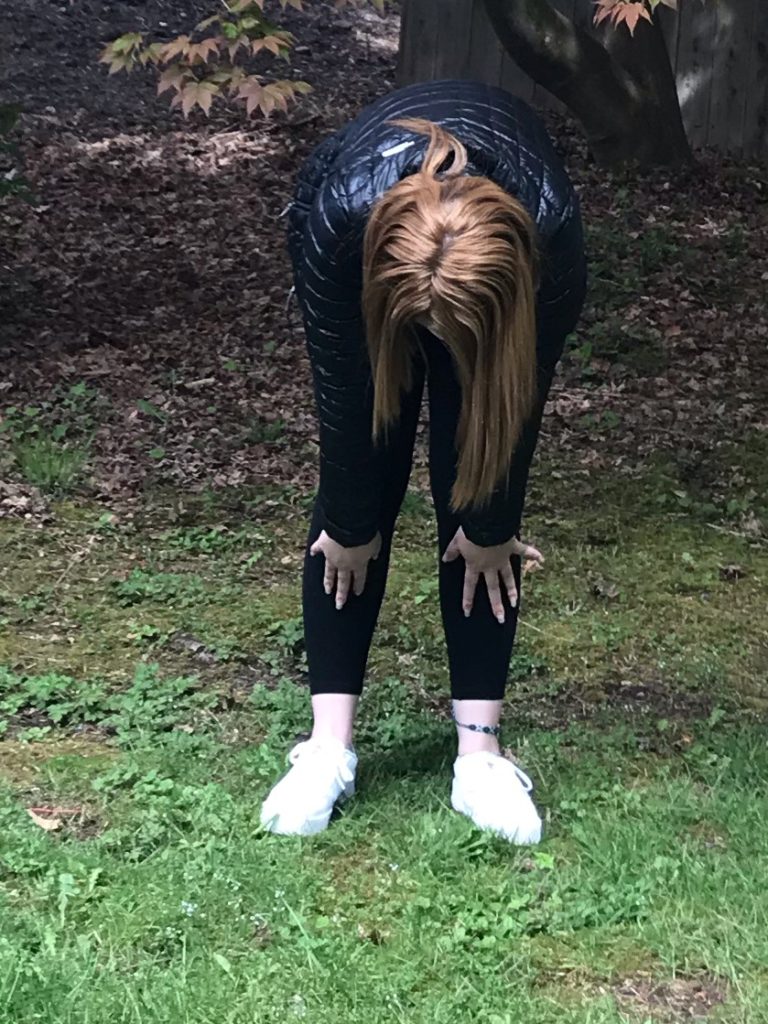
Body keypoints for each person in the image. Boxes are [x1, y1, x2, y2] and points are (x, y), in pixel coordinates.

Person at [260, 79, 587, 843]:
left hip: (501, 295)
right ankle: (328, 750)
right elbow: (344, 403)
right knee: (358, 494)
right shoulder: (337, 220)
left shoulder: (554, 242)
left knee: (476, 507)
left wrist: (492, 523)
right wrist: (347, 523)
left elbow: (514, 415)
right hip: (368, 263)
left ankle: (480, 756)